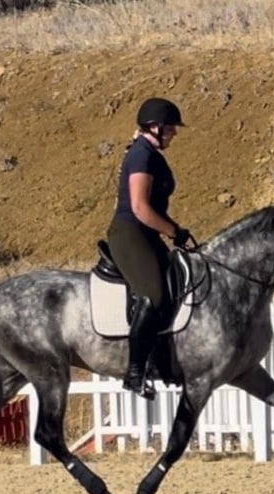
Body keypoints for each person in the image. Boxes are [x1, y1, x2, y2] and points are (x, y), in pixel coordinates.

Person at [106, 97, 192, 400]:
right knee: (153, 294)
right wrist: (174, 230)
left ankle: (163, 362)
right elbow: (140, 207)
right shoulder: (142, 156)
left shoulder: (149, 154)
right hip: (131, 232)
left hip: (147, 233)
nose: (174, 133)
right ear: (154, 127)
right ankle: (134, 372)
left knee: (176, 285)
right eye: (170, 128)